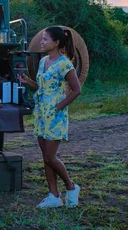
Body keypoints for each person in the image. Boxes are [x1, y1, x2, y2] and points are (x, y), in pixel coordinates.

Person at [17, 26, 82, 208]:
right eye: (42, 39)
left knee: (50, 156)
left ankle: (71, 186)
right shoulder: (43, 61)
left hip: (55, 115)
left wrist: (59, 106)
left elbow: (77, 90)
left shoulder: (64, 64)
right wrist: (28, 82)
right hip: (40, 113)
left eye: (45, 39)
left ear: (57, 42)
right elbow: (42, 87)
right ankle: (53, 195)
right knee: (45, 157)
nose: (42, 42)